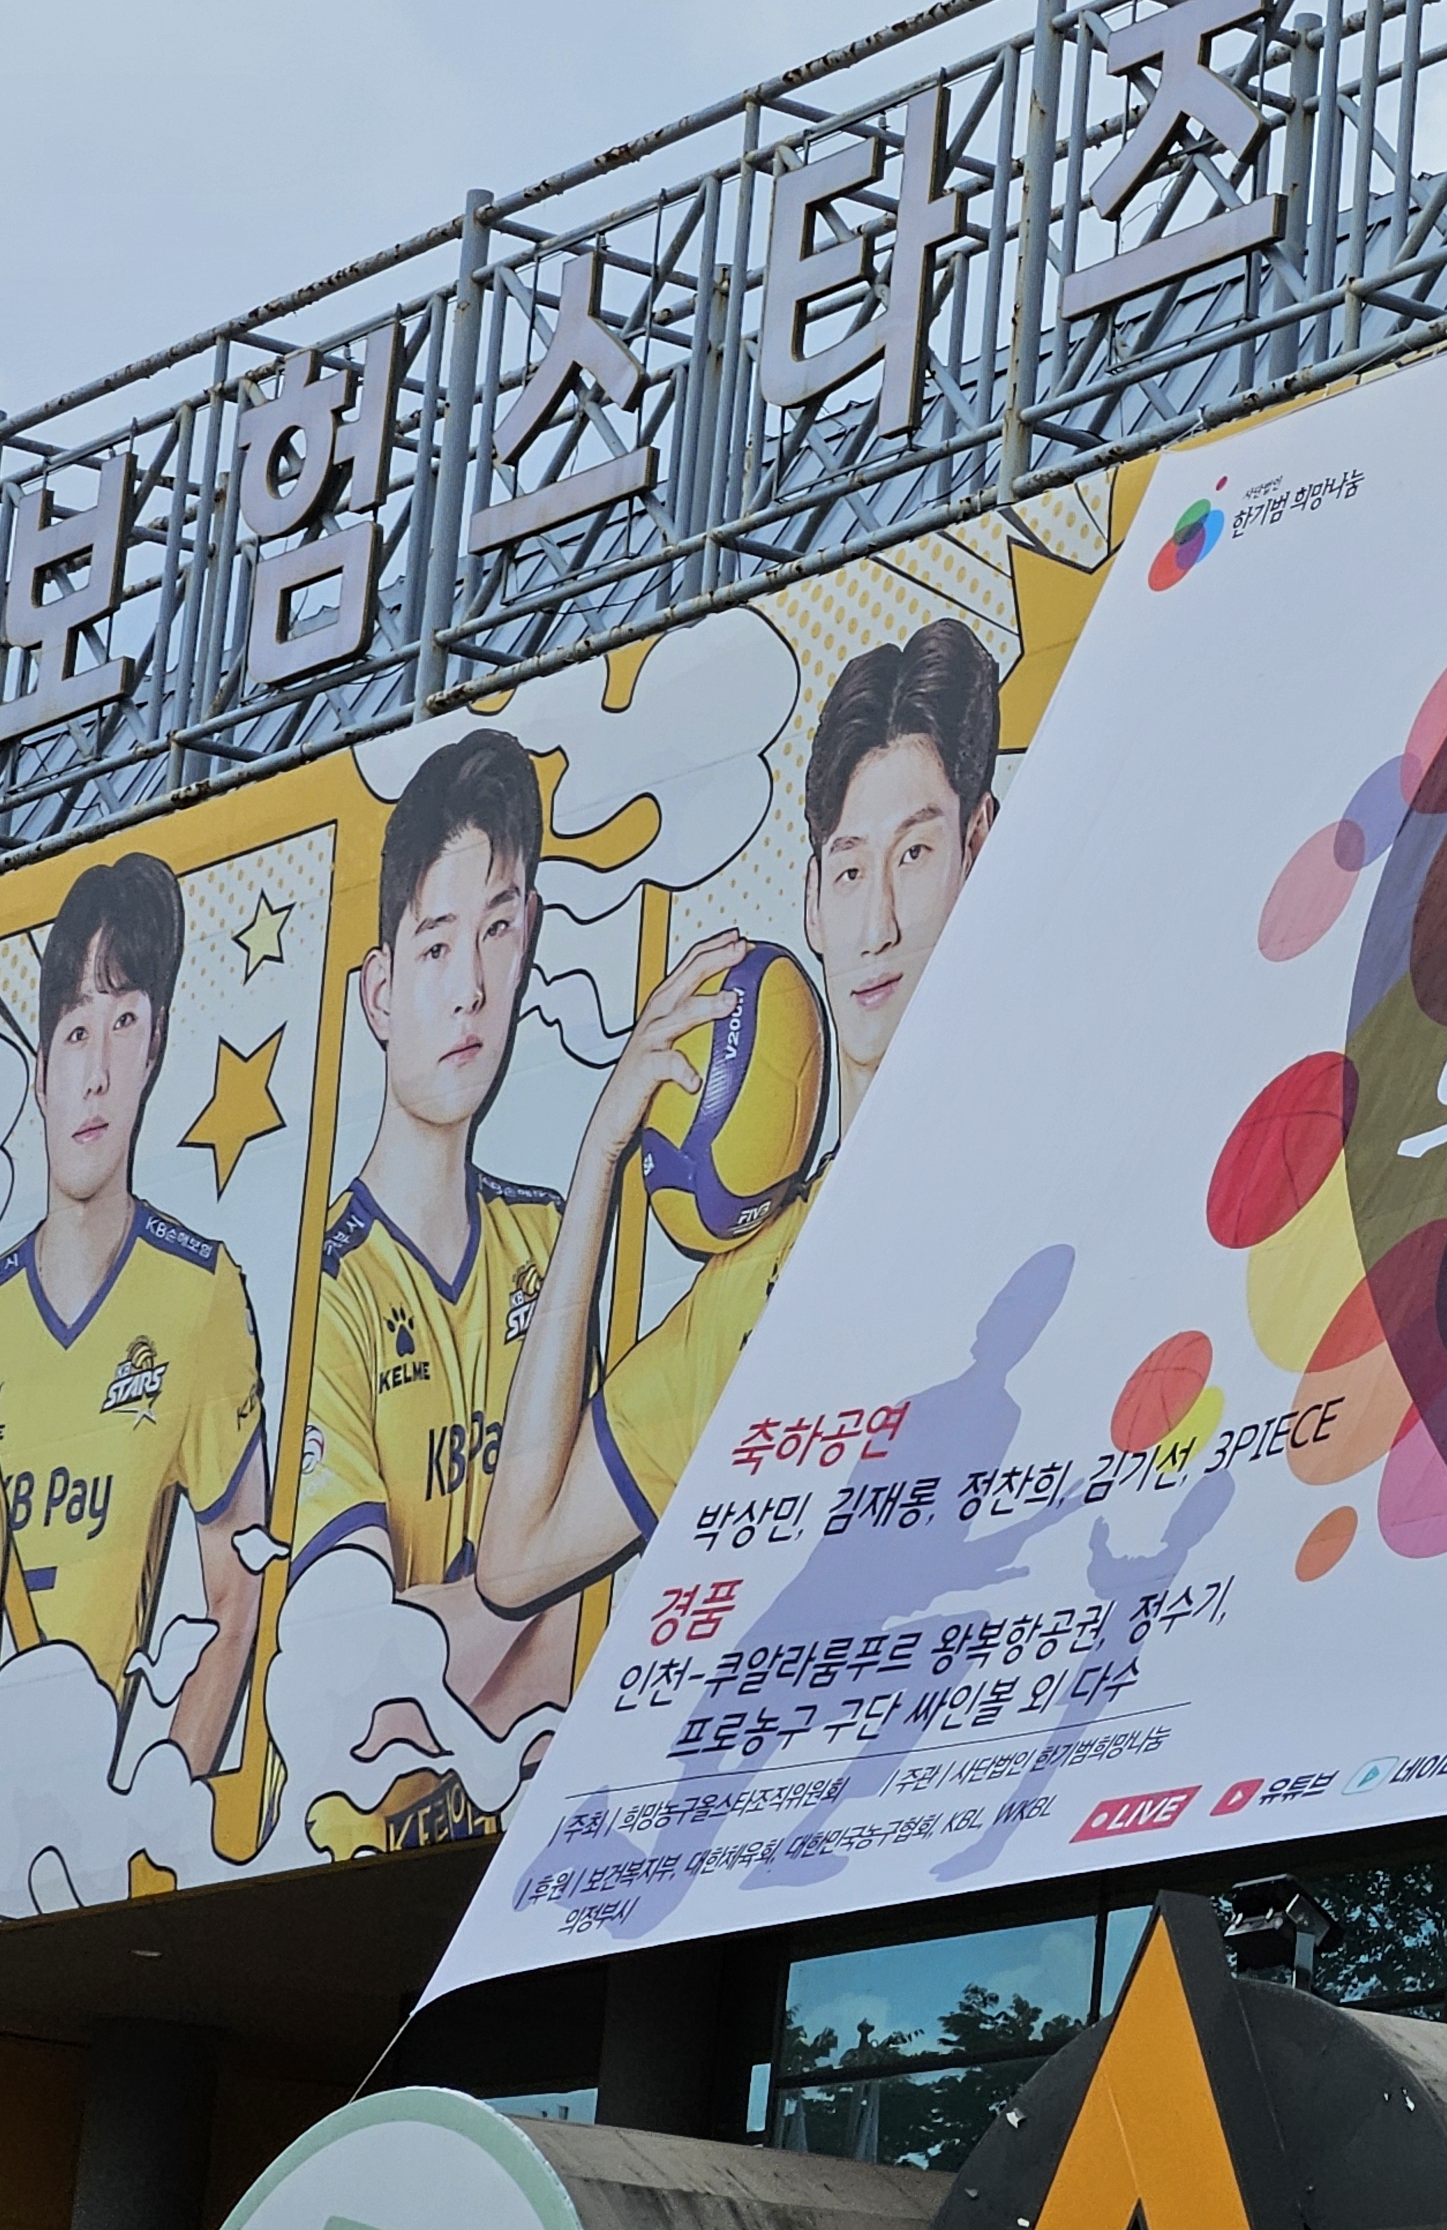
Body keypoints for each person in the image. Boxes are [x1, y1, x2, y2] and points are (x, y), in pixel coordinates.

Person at [478, 621, 1002, 1616]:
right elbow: (516, 1558)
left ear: (981, 847)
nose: (878, 924)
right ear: (810, 901)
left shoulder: (1036, 1170)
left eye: (917, 852)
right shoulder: (754, 1286)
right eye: (850, 869)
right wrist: (599, 1158)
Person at [303, 727, 569, 1849]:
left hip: (542, 1854)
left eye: (498, 931)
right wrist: (553, 1577)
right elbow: (355, 1690)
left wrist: (464, 1630)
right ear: (378, 990)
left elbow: (615, 1613)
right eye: (436, 944)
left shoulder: (558, 1242)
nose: (470, 989)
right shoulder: (321, 1290)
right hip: (340, 1872)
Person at [0, 855, 268, 1773]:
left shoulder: (199, 1293)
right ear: (41, 1071)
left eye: (124, 1024)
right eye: (77, 1031)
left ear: (154, 1048)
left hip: (92, 1813)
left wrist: (152, 1809)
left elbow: (237, 1594)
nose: (99, 1073)